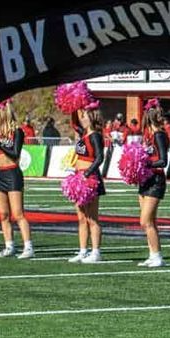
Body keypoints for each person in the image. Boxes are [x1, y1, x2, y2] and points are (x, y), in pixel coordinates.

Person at [0, 101, 35, 259]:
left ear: (3, 114)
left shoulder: (17, 132)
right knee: (3, 214)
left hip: (13, 174)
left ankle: (28, 247)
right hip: (0, 174)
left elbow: (15, 153)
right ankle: (9, 245)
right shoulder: (0, 134)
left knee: (18, 214)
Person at [67, 104, 107, 264]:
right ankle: (83, 251)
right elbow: (74, 122)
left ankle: (96, 251)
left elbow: (99, 158)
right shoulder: (83, 134)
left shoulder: (95, 136)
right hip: (79, 178)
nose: (82, 118)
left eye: (85, 116)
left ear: (92, 118)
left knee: (92, 218)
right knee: (81, 217)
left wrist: (87, 173)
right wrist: (74, 103)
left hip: (90, 178)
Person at [138, 102, 169, 268]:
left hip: (156, 180)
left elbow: (163, 161)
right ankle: (152, 254)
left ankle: (157, 256)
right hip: (145, 179)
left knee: (145, 221)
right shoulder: (148, 134)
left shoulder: (159, 135)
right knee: (150, 221)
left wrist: (145, 164)